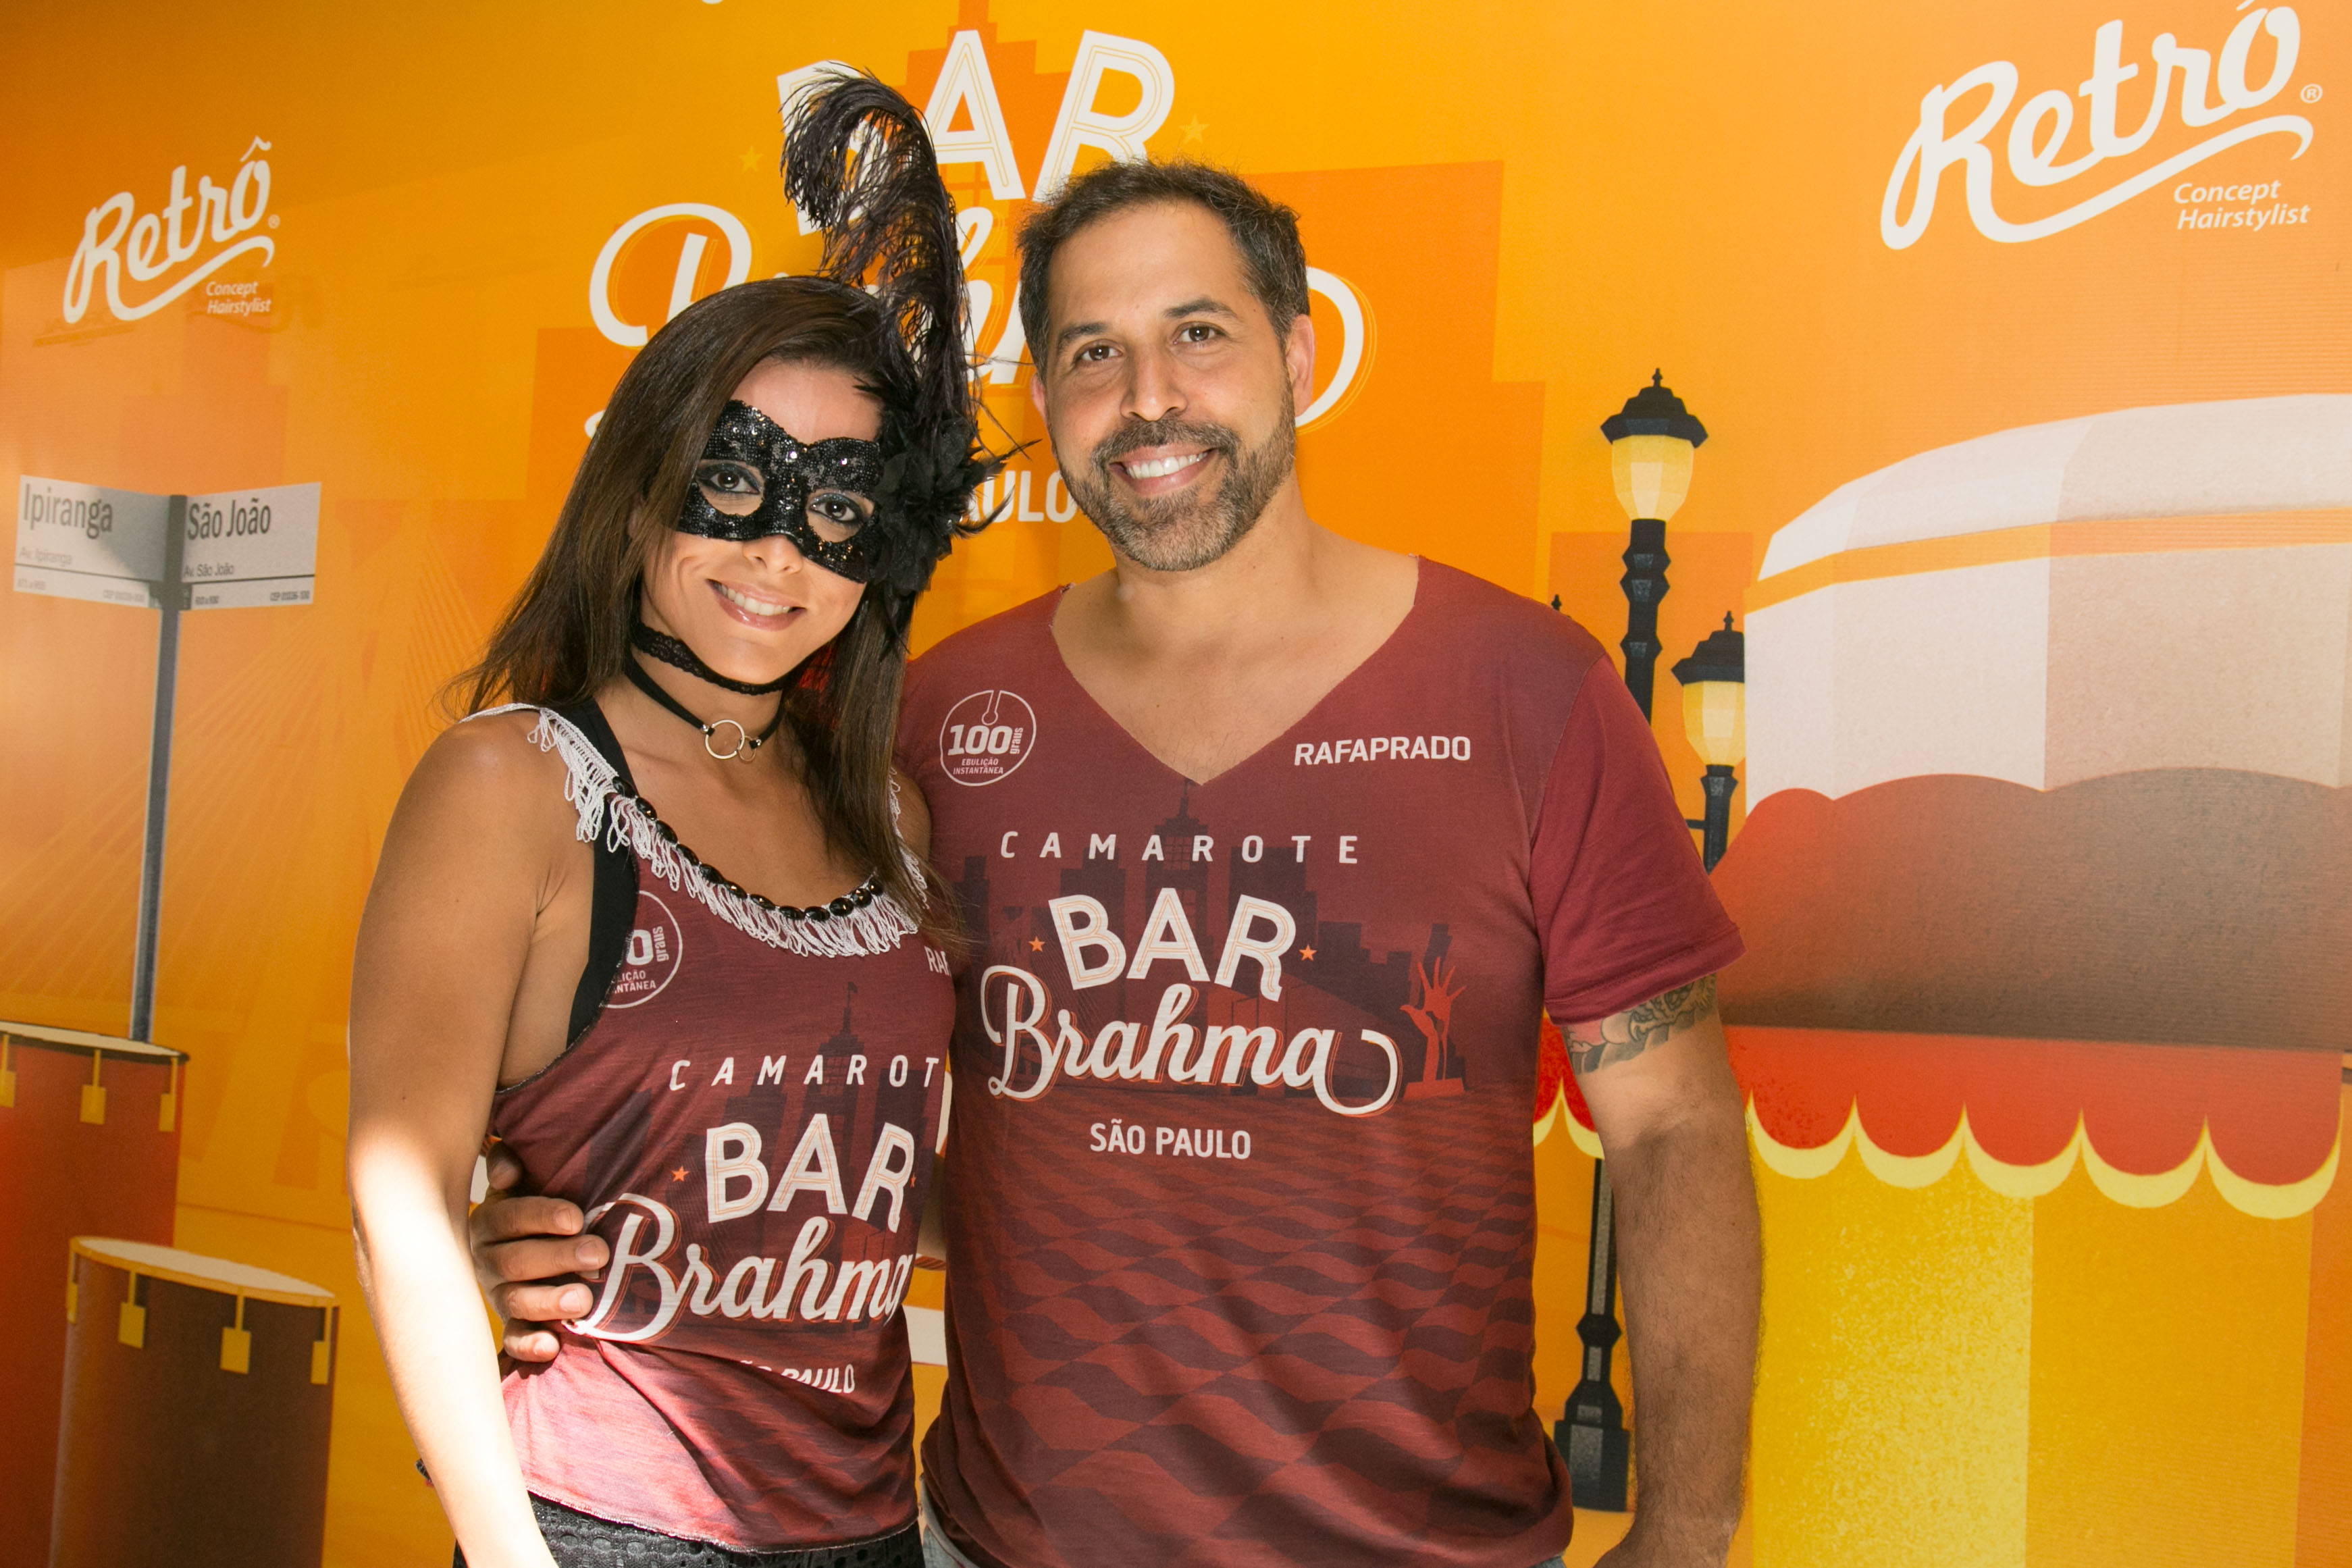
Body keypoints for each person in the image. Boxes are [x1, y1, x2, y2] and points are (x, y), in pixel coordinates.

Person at [479, 160, 1760, 1568]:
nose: (1149, 398)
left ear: (1299, 352)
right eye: (1094, 353)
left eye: (1197, 333)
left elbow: (1672, 1126)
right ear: (1045, 399)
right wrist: (577, 1219)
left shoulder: (1528, 692)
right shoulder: (931, 721)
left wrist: (1687, 1530)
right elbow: (810, 1100)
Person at [348, 76, 994, 1568]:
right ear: (641, 494)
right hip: (599, 1525)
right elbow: (398, 1200)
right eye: (734, 481)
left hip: (867, 1525)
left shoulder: (888, 815)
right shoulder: (512, 787)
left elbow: (871, 1182)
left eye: (837, 506)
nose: (777, 551)